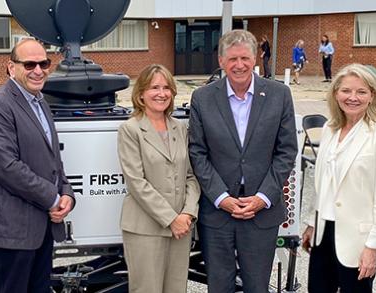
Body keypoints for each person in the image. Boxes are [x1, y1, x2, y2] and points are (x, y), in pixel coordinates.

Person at [188, 29, 298, 293]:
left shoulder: (279, 95)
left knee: (257, 286)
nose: (239, 65)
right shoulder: (202, 98)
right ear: (221, 61)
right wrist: (221, 197)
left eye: (245, 58)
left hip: (261, 212)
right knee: (219, 286)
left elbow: (286, 152)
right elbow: (197, 152)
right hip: (217, 213)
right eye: (233, 59)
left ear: (255, 58)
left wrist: (263, 197)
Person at [0, 38, 76, 293]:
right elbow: (6, 167)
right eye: (29, 64)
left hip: (42, 229)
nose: (38, 70)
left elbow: (53, 162)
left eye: (44, 63)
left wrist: (67, 194)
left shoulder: (40, 103)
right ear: (11, 67)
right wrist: (52, 198)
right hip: (12, 230)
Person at [301, 63, 376, 293]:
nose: (352, 97)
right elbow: (324, 183)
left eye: (361, 92)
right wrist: (311, 222)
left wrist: (373, 247)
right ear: (335, 93)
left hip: (358, 240)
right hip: (324, 233)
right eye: (346, 90)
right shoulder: (330, 129)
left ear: (372, 96)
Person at [117, 64, 200, 293]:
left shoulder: (180, 128)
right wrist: (171, 219)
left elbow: (191, 177)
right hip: (146, 229)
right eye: (154, 87)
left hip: (181, 229)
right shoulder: (130, 130)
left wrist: (187, 214)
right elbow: (136, 182)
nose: (161, 93)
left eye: (166, 87)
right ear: (141, 93)